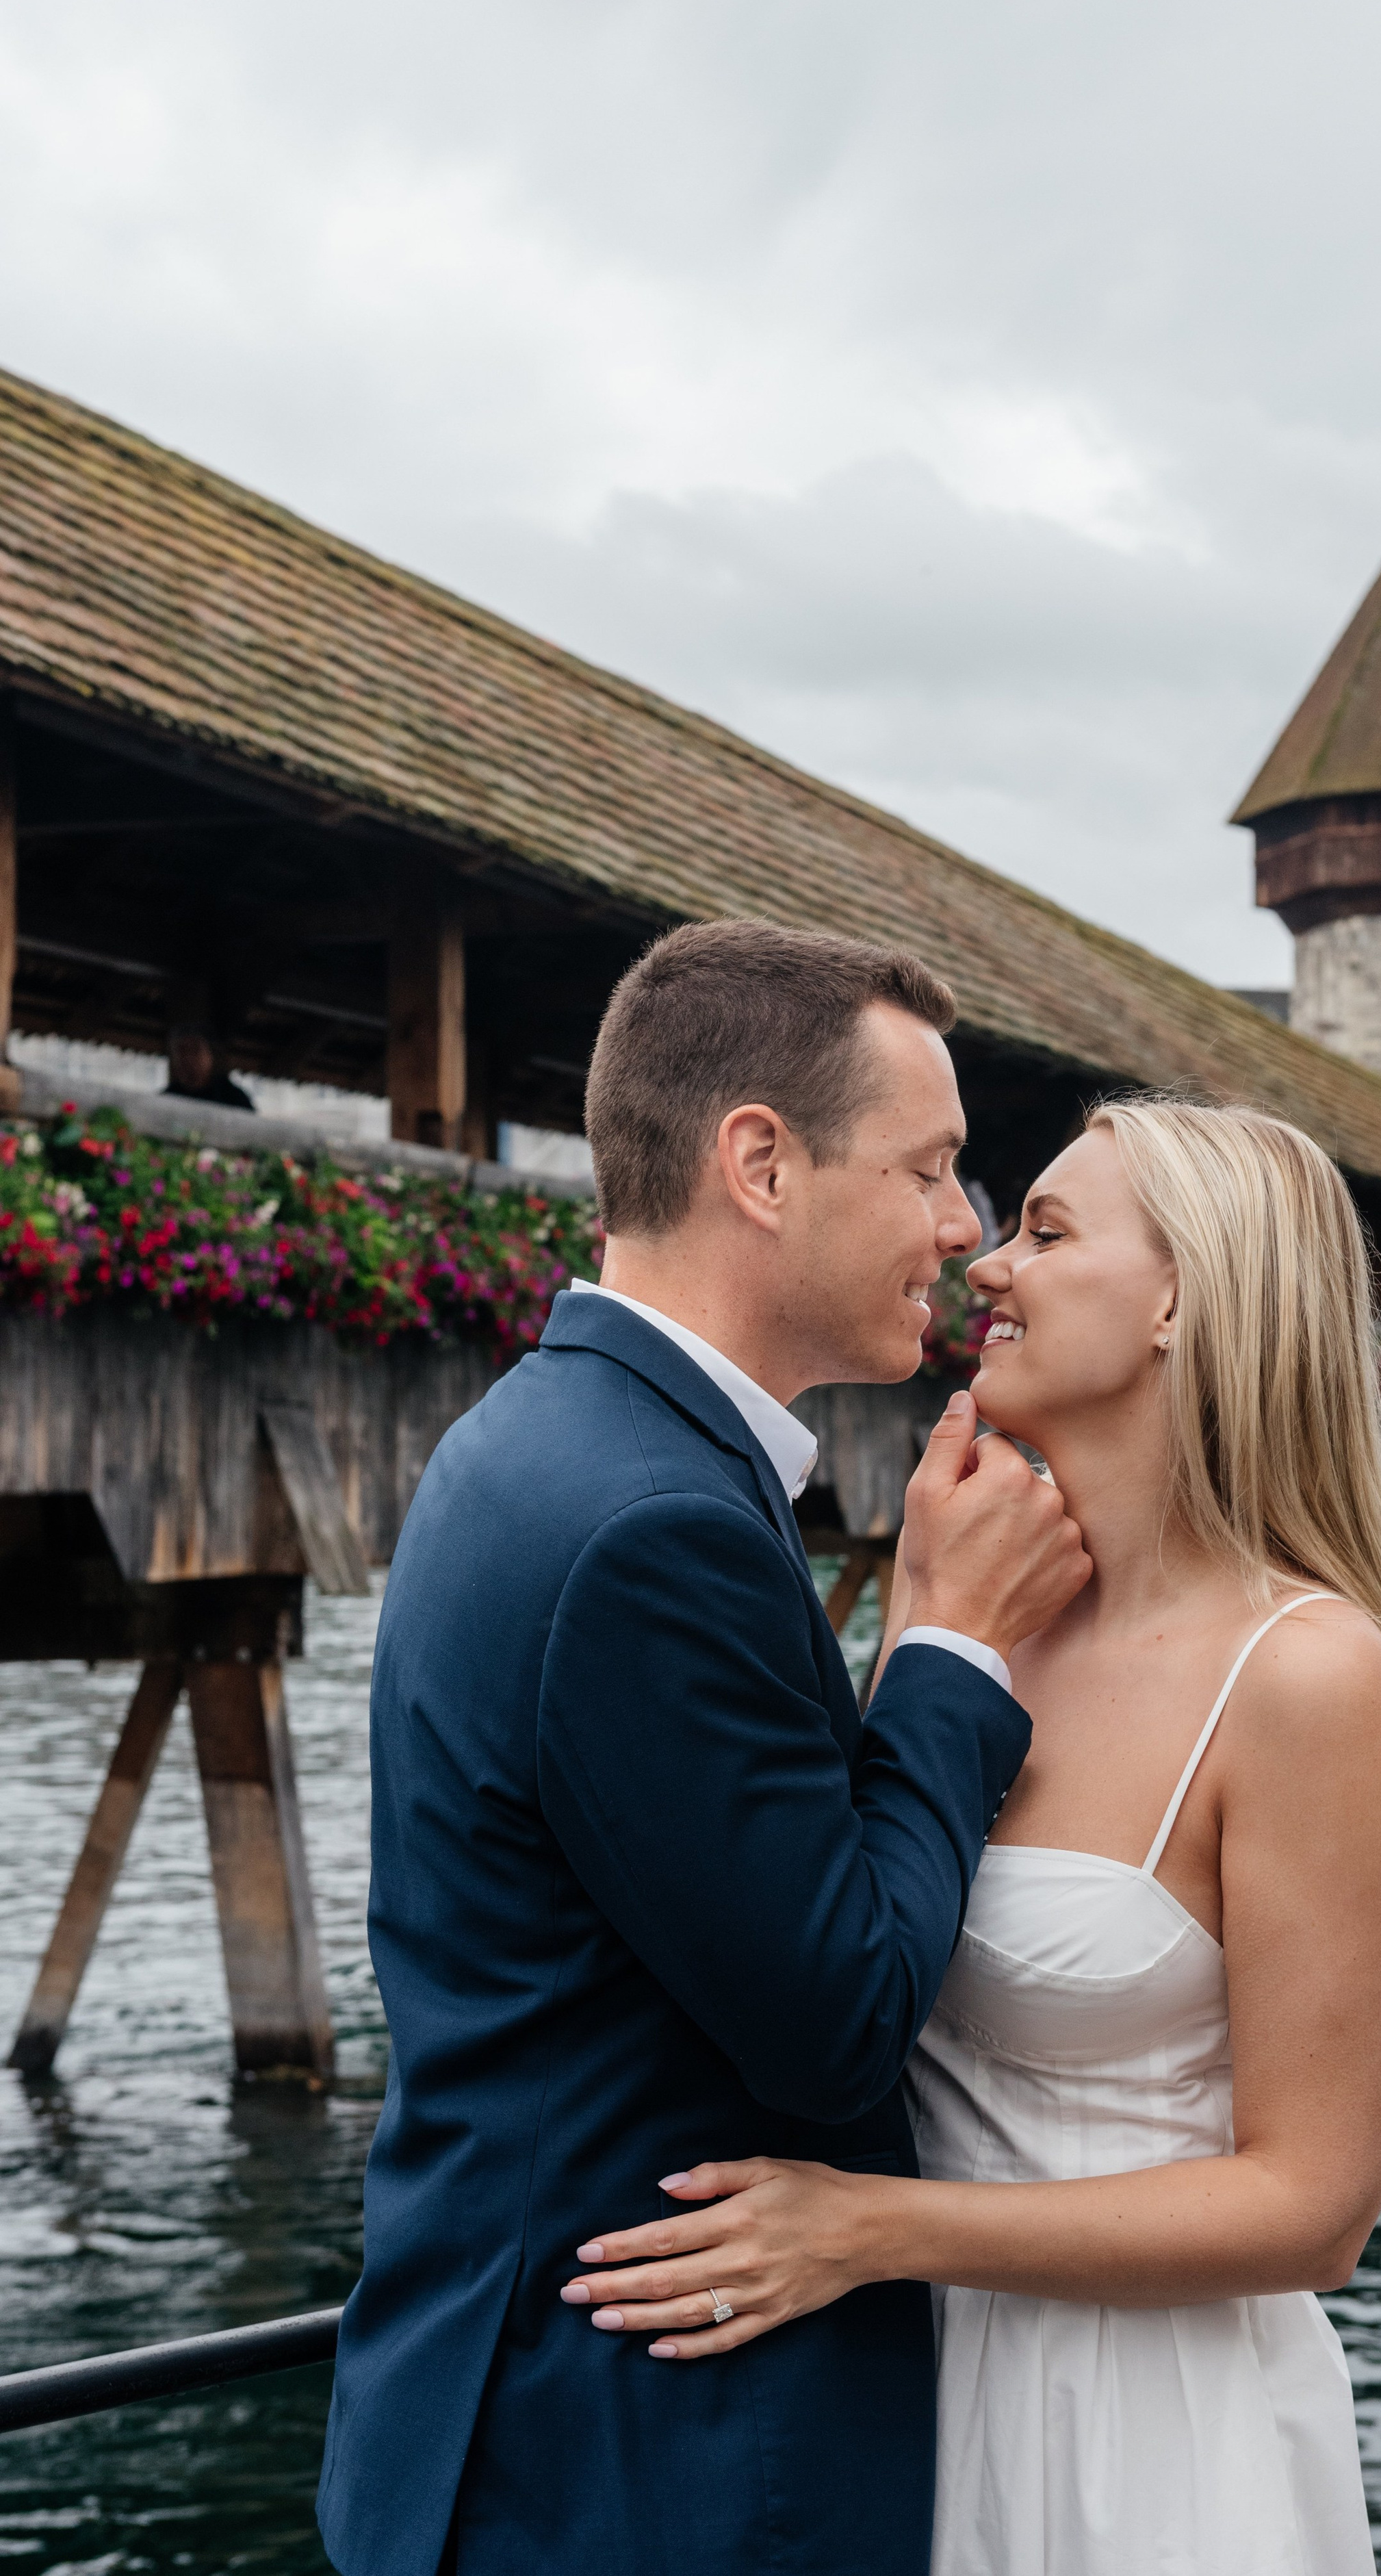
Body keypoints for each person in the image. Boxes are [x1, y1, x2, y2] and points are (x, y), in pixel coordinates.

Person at [561, 1097, 1381, 2576]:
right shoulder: (977, 1623)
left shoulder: (1301, 1670)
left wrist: (869, 2232)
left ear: (1178, 1300)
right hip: (897, 2410)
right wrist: (923, 1630)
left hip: (1148, 2444)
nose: (980, 1260)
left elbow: (1313, 2210)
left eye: (1043, 1231)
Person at [316, 920, 1089, 2576]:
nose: (961, 1232)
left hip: (510, 2412)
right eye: (929, 1168)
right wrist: (949, 1648)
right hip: (630, 2473)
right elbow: (838, 2015)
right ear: (759, 1161)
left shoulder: (541, 1434)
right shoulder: (654, 1519)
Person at [163, 1022, 255, 1109]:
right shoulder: (166, 1099)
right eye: (182, 1050)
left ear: (211, 1055)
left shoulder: (235, 1100)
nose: (188, 1058)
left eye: (196, 1050)